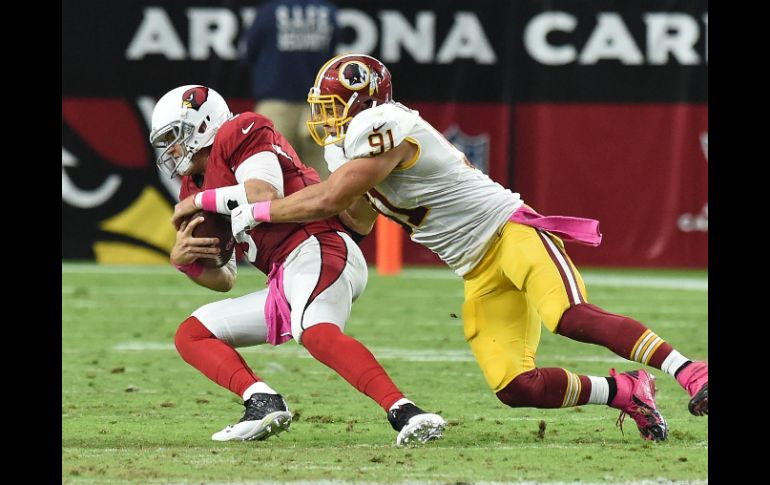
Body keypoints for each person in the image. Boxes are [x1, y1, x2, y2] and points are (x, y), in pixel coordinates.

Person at [221, 54, 708, 442]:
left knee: (568, 315)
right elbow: (354, 219)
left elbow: (333, 197)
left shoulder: (388, 122)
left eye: (333, 106)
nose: (325, 118)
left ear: (365, 102)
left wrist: (261, 210)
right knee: (517, 387)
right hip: (476, 269)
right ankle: (624, 390)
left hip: (510, 233)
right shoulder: (348, 147)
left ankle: (691, 371)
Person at [150, 84, 446, 445]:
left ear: (202, 124)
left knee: (316, 332)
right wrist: (186, 264)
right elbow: (225, 277)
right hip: (284, 276)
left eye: (174, 137)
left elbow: (263, 194)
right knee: (192, 333)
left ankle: (406, 412)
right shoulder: (192, 188)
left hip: (317, 245)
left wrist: (201, 199)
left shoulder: (238, 130)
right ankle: (261, 401)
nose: (171, 149)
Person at [240, 0, 340, 179]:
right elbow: (332, 58)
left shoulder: (268, 12)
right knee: (321, 175)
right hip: (318, 104)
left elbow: (247, 53)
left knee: (272, 173)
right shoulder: (328, 11)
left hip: (276, 101)